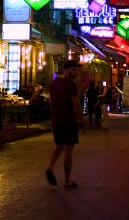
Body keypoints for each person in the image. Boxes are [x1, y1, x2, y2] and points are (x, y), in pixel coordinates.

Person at [45, 60, 85, 189]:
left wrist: (54, 117)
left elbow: (50, 102)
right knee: (68, 150)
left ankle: (50, 167)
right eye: (74, 70)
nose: (76, 72)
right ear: (66, 70)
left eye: (77, 70)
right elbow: (77, 104)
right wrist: (82, 121)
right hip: (69, 121)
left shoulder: (54, 83)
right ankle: (67, 180)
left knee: (58, 147)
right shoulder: (70, 85)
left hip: (57, 122)